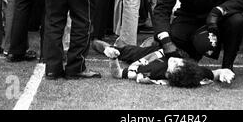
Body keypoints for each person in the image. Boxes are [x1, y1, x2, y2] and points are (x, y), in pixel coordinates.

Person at [92, 39, 235, 87]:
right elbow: (215, 74)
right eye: (181, 62)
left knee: (130, 52)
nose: (176, 61)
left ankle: (109, 47)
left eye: (175, 65)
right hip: (170, 47)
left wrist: (112, 57)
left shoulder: (152, 72)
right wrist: (224, 73)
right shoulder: (194, 71)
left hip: (151, 55)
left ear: (168, 74)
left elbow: (117, 74)